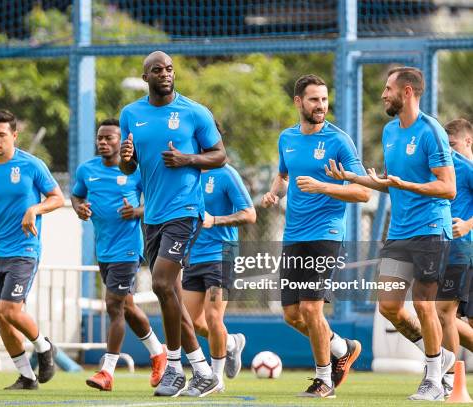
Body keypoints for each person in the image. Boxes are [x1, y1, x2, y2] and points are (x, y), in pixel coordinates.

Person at [325, 67, 456, 401]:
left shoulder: (431, 131)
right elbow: (388, 182)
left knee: (424, 304)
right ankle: (440, 359)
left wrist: (407, 185)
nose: (383, 94)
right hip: (399, 232)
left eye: (388, 89)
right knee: (389, 306)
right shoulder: (389, 131)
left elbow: (448, 188)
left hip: (430, 230)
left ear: (407, 91)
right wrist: (352, 178)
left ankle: (433, 379)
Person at [119, 51, 226, 397]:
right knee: (171, 296)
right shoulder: (131, 114)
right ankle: (204, 371)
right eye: (157, 70)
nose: (164, 74)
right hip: (152, 216)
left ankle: (174, 367)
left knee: (162, 283)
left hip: (185, 211)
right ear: (145, 76)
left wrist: (188, 159)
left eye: (168, 69)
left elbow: (220, 155)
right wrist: (125, 161)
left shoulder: (195, 112)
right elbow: (129, 167)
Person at [261, 74, 369, 398]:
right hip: (294, 233)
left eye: (324, 99)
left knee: (311, 310)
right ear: (298, 102)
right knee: (293, 315)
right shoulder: (286, 138)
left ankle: (324, 380)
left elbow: (363, 192)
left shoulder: (339, 141)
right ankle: (342, 347)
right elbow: (283, 176)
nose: (321, 106)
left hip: (326, 233)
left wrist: (322, 186)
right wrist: (274, 193)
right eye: (314, 100)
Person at [0, 110, 65, 390]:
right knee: (0, 315)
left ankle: (44, 347)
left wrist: (34, 208)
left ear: (14, 136)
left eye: (2, 135)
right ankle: (27, 377)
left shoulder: (32, 165)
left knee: (11, 309)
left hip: (25, 248)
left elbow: (57, 198)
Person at [71, 118, 167, 391]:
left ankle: (107, 371)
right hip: (104, 248)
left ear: (122, 142)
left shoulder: (136, 172)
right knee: (127, 306)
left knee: (113, 305)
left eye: (109, 138)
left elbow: (158, 204)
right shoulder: (87, 170)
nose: (103, 142)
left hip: (128, 248)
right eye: (100, 138)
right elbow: (76, 195)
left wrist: (137, 211)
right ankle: (157, 352)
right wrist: (79, 208)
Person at [182, 123, 256, 393]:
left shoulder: (226, 174)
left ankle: (215, 378)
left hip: (222, 254)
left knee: (214, 317)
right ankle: (231, 344)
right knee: (188, 323)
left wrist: (216, 220)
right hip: (192, 256)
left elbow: (250, 214)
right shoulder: (186, 175)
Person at [436, 118, 473, 397]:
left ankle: (448, 380)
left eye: (452, 145)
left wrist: (469, 224)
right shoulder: (442, 169)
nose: (448, 150)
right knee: (446, 314)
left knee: (445, 313)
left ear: (468, 141)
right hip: (453, 252)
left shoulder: (467, 168)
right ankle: (449, 379)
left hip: (465, 250)